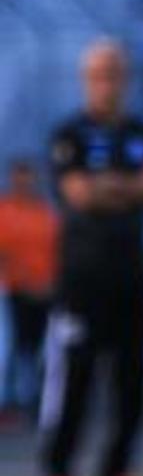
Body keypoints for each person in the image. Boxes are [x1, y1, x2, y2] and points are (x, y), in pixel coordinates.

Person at [39, 40, 143, 476]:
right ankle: (58, 470)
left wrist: (114, 187)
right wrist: (135, 186)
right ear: (86, 80)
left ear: (126, 78)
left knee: (132, 376)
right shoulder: (70, 135)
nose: (107, 83)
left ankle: (117, 468)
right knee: (74, 374)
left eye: (115, 73)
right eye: (99, 75)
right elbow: (80, 195)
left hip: (131, 271)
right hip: (82, 274)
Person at [0, 158, 59, 425]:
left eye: (29, 177)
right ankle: (10, 402)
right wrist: (24, 281)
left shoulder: (45, 212)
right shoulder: (5, 212)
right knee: (17, 347)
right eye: (19, 177)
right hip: (16, 290)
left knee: (42, 349)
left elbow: (58, 250)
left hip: (47, 292)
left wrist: (51, 285)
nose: (25, 183)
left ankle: (39, 403)